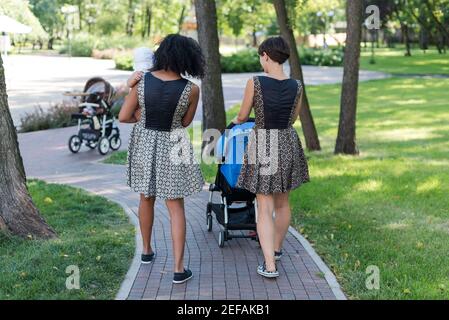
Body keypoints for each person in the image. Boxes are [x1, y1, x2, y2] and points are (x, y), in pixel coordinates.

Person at [119, 34, 205, 284]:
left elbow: (124, 116)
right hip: (173, 143)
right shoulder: (192, 90)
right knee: (175, 206)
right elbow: (186, 123)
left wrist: (142, 118)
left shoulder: (142, 82)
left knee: (146, 197)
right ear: (188, 59)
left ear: (162, 54)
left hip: (145, 142)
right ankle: (179, 268)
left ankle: (146, 251)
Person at [232, 36, 310, 278]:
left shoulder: (255, 82)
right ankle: (276, 249)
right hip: (287, 141)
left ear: (265, 55)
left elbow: (243, 116)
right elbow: (293, 118)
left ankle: (269, 265)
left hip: (264, 142)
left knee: (264, 206)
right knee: (283, 203)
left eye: (260, 56)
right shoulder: (296, 86)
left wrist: (235, 122)